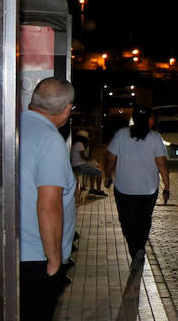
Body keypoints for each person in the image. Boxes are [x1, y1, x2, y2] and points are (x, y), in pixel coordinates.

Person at [19, 77, 77, 321]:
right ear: (67, 110)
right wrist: (54, 260)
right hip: (36, 257)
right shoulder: (50, 140)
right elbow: (49, 204)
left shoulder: (16, 127)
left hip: (14, 251)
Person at [104, 105, 170, 263]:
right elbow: (161, 164)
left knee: (127, 221)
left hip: (124, 188)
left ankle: (135, 250)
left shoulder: (121, 135)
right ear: (149, 120)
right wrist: (167, 187)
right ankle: (139, 248)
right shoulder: (155, 138)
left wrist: (107, 176)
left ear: (133, 118)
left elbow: (110, 158)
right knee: (144, 220)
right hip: (148, 189)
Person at [70, 129, 104, 198]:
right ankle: (98, 190)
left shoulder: (76, 144)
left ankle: (92, 189)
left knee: (94, 169)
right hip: (80, 166)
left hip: (77, 165)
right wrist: (90, 159)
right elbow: (83, 157)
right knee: (99, 172)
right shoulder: (80, 144)